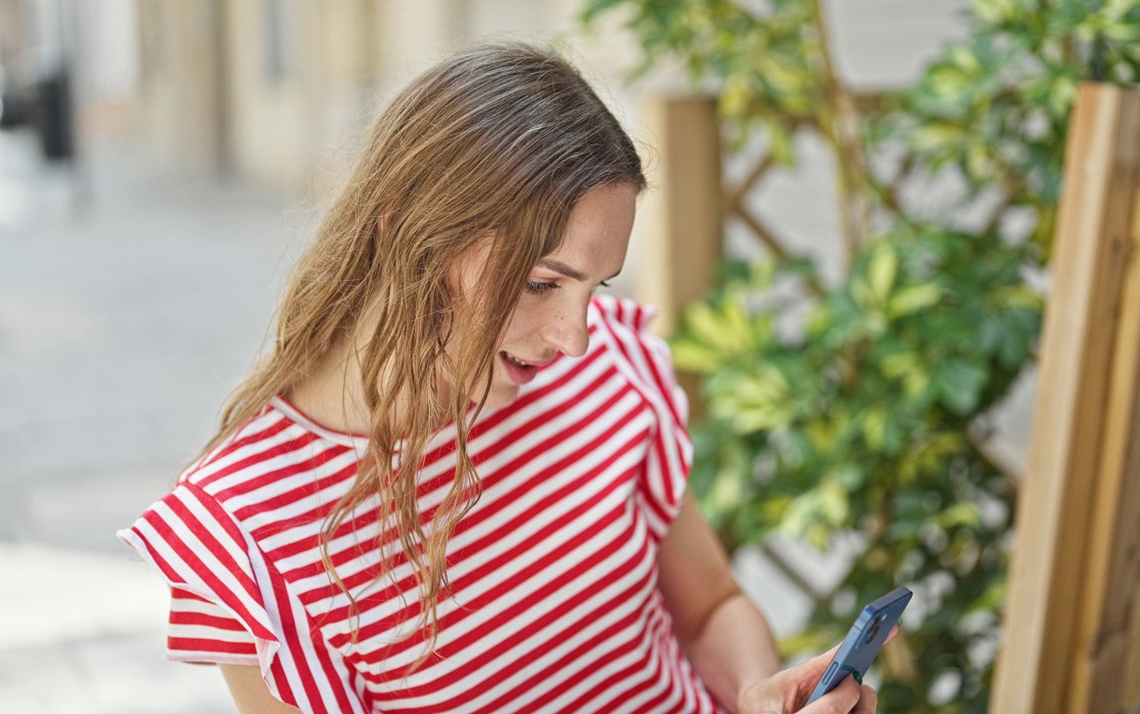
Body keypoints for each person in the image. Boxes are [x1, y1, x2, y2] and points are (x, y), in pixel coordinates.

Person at [119, 42, 878, 714]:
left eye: (595, 287)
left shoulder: (614, 362)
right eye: (544, 284)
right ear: (408, 233)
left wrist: (752, 692)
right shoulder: (248, 543)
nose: (575, 339)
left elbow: (711, 606)